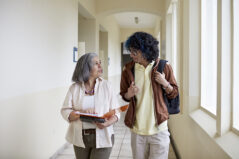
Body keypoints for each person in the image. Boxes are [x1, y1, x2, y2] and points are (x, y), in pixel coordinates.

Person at [120, 32, 179, 159]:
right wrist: (129, 94)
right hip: (137, 130)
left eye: (134, 52)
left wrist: (165, 83)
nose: (131, 55)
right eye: (130, 51)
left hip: (159, 129)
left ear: (145, 51)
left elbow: (174, 93)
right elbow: (124, 95)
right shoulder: (128, 70)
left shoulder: (165, 67)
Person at [61, 53, 120, 159]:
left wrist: (107, 123)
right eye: (96, 64)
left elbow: (116, 112)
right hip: (80, 137)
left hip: (104, 136)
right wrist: (80, 114)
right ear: (86, 68)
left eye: (100, 63)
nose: (100, 66)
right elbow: (65, 110)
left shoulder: (107, 86)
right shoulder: (74, 88)